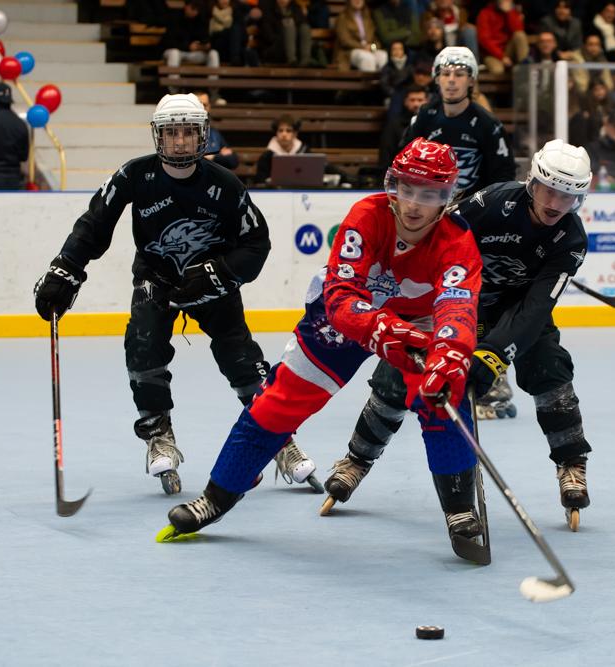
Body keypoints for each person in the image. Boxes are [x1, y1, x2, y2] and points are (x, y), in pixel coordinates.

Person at [162, 138, 487, 553]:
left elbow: (457, 314)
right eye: (405, 188)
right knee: (277, 401)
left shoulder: (458, 241)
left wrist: (449, 359)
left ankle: (459, 506)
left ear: (447, 198)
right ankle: (217, 496)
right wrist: (379, 328)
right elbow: (340, 296)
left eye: (428, 194)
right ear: (392, 184)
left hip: (418, 324)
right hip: (353, 316)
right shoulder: (367, 216)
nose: (412, 205)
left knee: (445, 395)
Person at [32, 94, 313, 496]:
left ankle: (278, 440)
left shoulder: (225, 184)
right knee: (143, 345)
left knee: (243, 359)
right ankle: (158, 434)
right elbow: (93, 225)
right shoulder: (134, 176)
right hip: (157, 279)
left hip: (212, 282)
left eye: (188, 132)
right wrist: (66, 269)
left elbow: (257, 243)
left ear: (202, 136)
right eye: (170, 133)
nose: (179, 142)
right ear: (157, 136)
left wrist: (219, 272)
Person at [320, 139, 595, 531]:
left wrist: (495, 353)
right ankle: (357, 459)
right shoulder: (491, 203)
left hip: (515, 312)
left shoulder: (570, 239)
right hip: (460, 302)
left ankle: (571, 463)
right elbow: (437, 237)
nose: (555, 204)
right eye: (549, 190)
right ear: (532, 183)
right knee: (402, 370)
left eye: (567, 198)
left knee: (549, 366)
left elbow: (536, 309)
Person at [400, 47, 516, 200]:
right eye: (446, 73)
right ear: (436, 78)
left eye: (460, 74)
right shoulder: (424, 116)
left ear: (472, 80)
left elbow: (503, 176)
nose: (451, 80)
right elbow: (403, 163)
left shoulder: (489, 124)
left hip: (475, 212)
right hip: (430, 206)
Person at [161, 0, 224, 103]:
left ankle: (214, 92)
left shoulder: (201, 19)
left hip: (195, 53)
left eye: (197, 10)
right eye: (193, 8)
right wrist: (187, 47)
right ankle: (174, 93)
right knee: (174, 53)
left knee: (213, 54)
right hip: (177, 52)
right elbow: (168, 41)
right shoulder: (175, 17)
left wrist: (205, 45)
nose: (194, 12)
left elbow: (206, 38)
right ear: (186, 6)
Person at [476, 0, 530, 75]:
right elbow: (484, 40)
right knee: (498, 70)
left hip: (509, 50)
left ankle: (525, 69)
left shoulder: (513, 12)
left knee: (520, 35)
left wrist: (509, 13)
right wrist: (502, 57)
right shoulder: (485, 13)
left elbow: (518, 31)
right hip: (492, 54)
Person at [380, 85, 429, 167]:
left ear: (427, 102)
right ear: (405, 102)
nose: (416, 104)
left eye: (420, 100)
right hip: (400, 171)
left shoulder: (432, 123)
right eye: (412, 100)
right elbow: (387, 153)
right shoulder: (394, 124)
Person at [334, 0, 389, 72]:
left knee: (383, 56)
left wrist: (372, 47)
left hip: (369, 49)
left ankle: (383, 82)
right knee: (367, 58)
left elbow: (376, 40)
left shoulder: (368, 17)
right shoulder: (343, 17)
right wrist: (362, 47)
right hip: (350, 51)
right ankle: (369, 82)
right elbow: (345, 41)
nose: (358, 0)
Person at [254, 114, 308, 186]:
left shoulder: (305, 152)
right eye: (280, 130)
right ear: (276, 133)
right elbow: (260, 182)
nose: (284, 134)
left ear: (295, 134)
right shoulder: (267, 156)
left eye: (288, 131)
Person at [195, 91, 239, 171]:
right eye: (199, 105)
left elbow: (233, 161)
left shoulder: (214, 133)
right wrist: (219, 156)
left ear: (209, 107)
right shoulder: (185, 133)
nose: (202, 109)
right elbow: (194, 160)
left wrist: (212, 157)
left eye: (205, 105)